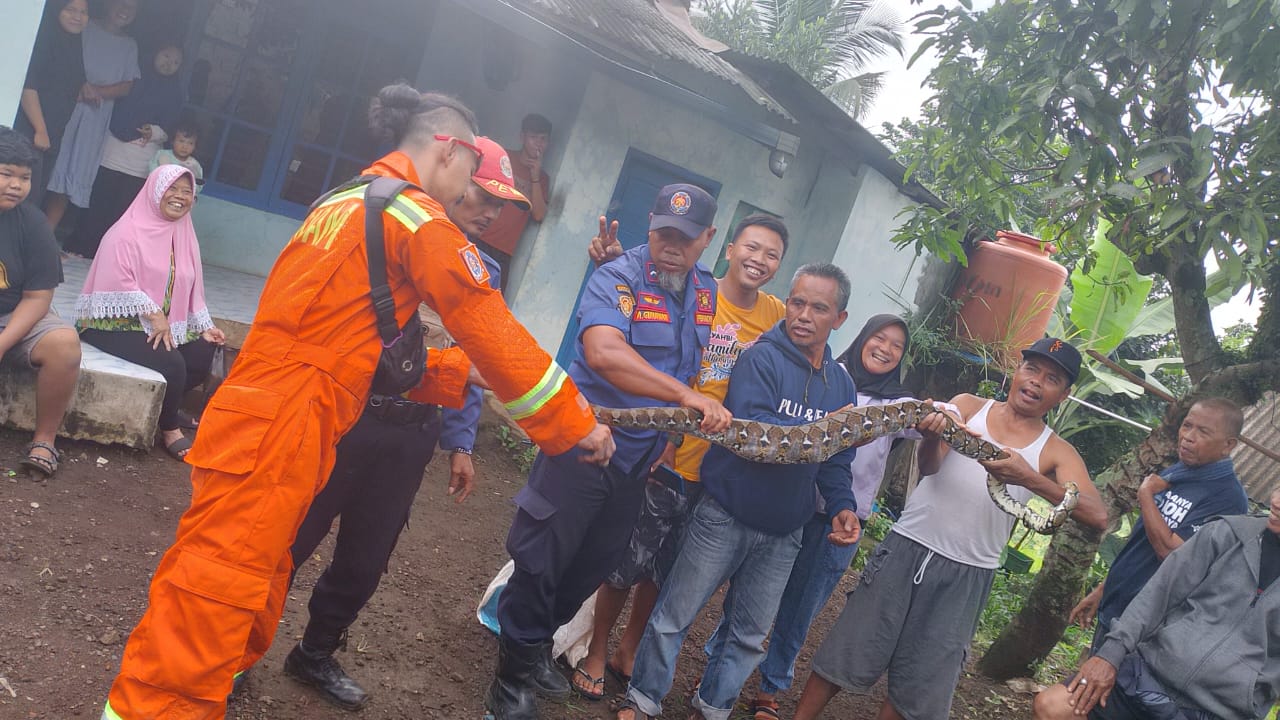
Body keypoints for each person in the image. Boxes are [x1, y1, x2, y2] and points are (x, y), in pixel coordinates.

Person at [100, 84, 613, 720]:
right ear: (450, 150)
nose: (470, 201)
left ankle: (198, 692)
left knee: (243, 581)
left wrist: (453, 374)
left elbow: (344, 348)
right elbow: (487, 322)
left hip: (272, 417)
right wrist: (574, 422)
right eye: (470, 182)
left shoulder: (344, 201)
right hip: (285, 426)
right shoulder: (415, 216)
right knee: (215, 592)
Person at [277, 136, 526, 711]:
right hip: (349, 415)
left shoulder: (482, 270)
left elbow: (469, 359)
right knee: (291, 537)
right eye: (484, 192)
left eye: (502, 203)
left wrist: (461, 442)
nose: (491, 211)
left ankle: (314, 652)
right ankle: (235, 651)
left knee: (367, 556)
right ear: (454, 172)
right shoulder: (388, 235)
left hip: (412, 433)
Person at [488, 183, 732, 720]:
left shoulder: (706, 293)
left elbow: (688, 360)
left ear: (709, 239)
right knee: (545, 555)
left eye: (687, 237)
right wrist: (684, 397)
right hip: (581, 443)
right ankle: (510, 681)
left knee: (593, 563)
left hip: (637, 458)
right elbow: (602, 352)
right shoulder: (617, 276)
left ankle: (532, 647)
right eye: (663, 231)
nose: (672, 244)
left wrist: (667, 439)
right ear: (650, 224)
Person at [793, 337, 1109, 720]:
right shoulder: (968, 407)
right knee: (849, 648)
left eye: (1052, 378)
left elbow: (1096, 514)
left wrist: (1029, 478)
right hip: (909, 544)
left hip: (969, 571)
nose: (1036, 382)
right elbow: (928, 467)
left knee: (919, 680)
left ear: (1063, 394)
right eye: (1031, 369)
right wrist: (930, 438)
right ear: (1016, 371)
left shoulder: (1055, 450)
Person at [616, 263, 864, 720]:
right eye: (797, 302)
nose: (803, 314)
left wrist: (842, 507)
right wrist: (831, 429)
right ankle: (643, 699)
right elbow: (756, 431)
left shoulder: (842, 384)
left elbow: (835, 460)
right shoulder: (760, 357)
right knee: (675, 615)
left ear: (840, 319)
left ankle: (712, 708)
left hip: (785, 531)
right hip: (724, 513)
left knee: (749, 635)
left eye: (819, 307)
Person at [573, 213, 789, 702]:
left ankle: (629, 649)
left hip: (718, 472)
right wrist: (606, 261)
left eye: (772, 254)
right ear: (728, 248)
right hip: (667, 452)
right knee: (627, 561)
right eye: (751, 247)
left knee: (664, 570)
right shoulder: (695, 292)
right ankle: (596, 649)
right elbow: (637, 294)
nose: (759, 260)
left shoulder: (777, 315)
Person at [733, 314, 924, 720]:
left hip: (842, 520)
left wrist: (948, 412)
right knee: (751, 596)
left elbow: (930, 421)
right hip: (794, 503)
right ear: (861, 337)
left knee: (803, 609)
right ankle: (722, 675)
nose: (886, 349)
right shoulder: (828, 375)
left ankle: (770, 687)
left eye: (897, 346)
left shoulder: (897, 405)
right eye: (879, 338)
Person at [1033, 488, 1280, 720]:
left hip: (1220, 710)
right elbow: (1159, 594)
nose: (1276, 502)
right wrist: (1110, 656)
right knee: (1053, 707)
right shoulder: (1227, 534)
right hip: (1149, 674)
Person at [1064, 397, 1247, 656]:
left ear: (1228, 445)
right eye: (1187, 426)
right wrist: (1104, 590)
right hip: (1118, 607)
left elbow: (1172, 554)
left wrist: (1146, 495)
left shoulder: (1227, 498)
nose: (1188, 437)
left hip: (1147, 627)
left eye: (1203, 432)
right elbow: (1143, 542)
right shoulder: (1180, 471)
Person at [74, 165, 223, 461]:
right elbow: (117, 279)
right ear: (156, 191)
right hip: (113, 323)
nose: (180, 197)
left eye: (187, 191)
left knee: (203, 351)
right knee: (173, 363)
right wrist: (153, 313)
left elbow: (191, 286)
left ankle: (167, 405)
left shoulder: (184, 234)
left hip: (157, 324)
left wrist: (203, 325)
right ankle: (169, 430)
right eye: (173, 189)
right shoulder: (126, 231)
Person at [0, 127, 81, 478]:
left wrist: (1, 344)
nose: (16, 185)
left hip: (14, 315)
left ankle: (44, 441)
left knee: (64, 345)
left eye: (25, 177)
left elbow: (37, 298)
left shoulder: (33, 224)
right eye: (6, 174)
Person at [66, 44, 185, 258]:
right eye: (166, 55)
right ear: (154, 53)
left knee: (124, 207)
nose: (169, 64)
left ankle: (111, 253)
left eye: (176, 62)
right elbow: (113, 108)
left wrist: (154, 131)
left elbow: (171, 127)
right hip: (113, 148)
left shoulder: (176, 95)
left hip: (142, 156)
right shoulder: (133, 81)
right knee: (100, 199)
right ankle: (84, 245)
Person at [44, 0, 140, 232]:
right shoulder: (85, 28)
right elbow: (64, 62)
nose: (124, 10)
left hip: (95, 117)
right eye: (121, 4)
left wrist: (96, 91)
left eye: (132, 7)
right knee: (49, 164)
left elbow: (127, 85)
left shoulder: (130, 45)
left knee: (71, 175)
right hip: (67, 105)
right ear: (108, 5)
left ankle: (46, 237)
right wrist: (81, 85)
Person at [14, 0, 90, 209]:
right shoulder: (45, 39)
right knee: (18, 199)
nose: (78, 16)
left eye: (83, 12)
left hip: (51, 137)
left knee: (31, 199)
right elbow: (28, 85)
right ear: (57, 10)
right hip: (31, 134)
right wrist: (40, 129)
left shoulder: (74, 44)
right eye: (71, 10)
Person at [475, 112, 552, 290]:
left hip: (504, 252)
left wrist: (535, 177)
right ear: (522, 137)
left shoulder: (543, 179)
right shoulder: (504, 158)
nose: (538, 144)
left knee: (489, 301)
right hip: (478, 237)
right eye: (533, 137)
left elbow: (539, 215)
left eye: (543, 139)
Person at [150, 119, 203, 192]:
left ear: (195, 146)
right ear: (172, 141)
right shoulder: (162, 155)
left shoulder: (195, 165)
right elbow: (152, 175)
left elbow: (198, 187)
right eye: (181, 141)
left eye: (190, 143)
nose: (185, 146)